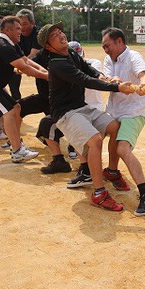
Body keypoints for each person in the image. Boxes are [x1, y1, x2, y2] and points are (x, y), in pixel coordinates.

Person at [39, 21, 133, 212]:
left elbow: (89, 70)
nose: (60, 34)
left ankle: (112, 172)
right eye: (54, 35)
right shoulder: (57, 63)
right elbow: (84, 79)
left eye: (59, 31)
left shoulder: (71, 53)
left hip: (81, 107)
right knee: (95, 140)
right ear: (49, 46)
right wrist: (116, 86)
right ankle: (99, 193)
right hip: (65, 113)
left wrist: (103, 77)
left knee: (116, 127)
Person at [0, 16, 48, 163]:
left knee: (16, 108)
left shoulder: (11, 43)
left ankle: (15, 144)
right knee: (10, 112)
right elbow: (24, 67)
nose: (21, 30)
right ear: (7, 30)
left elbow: (27, 60)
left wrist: (45, 72)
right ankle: (17, 151)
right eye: (18, 28)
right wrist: (48, 77)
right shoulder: (3, 45)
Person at [100, 27, 145, 216]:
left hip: (132, 112)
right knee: (92, 136)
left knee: (122, 149)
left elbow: (143, 74)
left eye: (108, 46)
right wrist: (114, 80)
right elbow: (107, 77)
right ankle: (106, 171)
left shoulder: (133, 56)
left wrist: (143, 85)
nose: (105, 50)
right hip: (113, 110)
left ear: (120, 42)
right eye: (103, 47)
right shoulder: (109, 59)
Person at [9, 9, 42, 100]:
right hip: (27, 61)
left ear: (32, 23)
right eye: (19, 25)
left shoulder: (39, 34)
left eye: (24, 24)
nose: (21, 28)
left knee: (43, 87)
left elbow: (33, 55)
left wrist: (21, 67)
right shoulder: (17, 34)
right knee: (12, 75)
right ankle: (16, 101)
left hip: (42, 63)